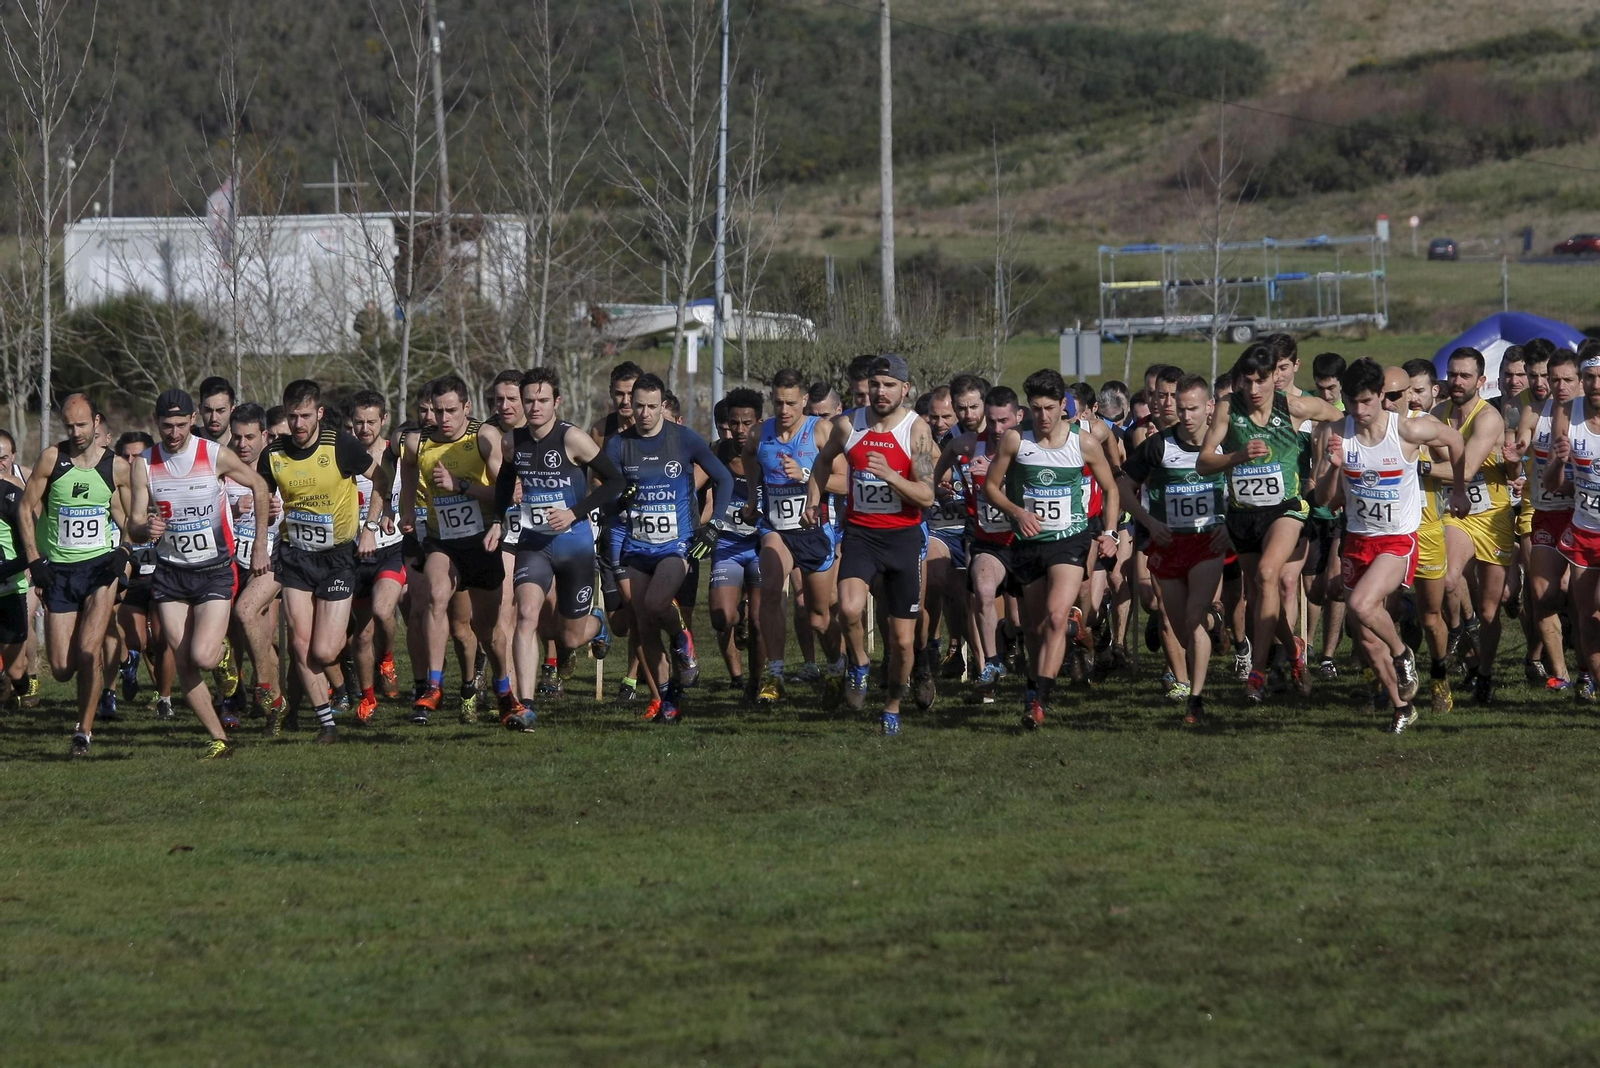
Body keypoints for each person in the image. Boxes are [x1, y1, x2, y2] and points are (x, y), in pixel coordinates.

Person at [1320, 358, 1466, 733]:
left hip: (1397, 539)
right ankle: (1402, 707)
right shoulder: (1337, 431)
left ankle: (1403, 654)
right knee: (1366, 637)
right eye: (1352, 402)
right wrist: (1334, 465)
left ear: (1382, 396)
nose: (1359, 410)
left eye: (1367, 401)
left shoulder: (1405, 430)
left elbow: (1455, 439)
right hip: (1357, 540)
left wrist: (1461, 489)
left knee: (1360, 603)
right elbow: (1326, 500)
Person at [132, 389, 273, 758]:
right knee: (183, 661)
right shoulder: (144, 463)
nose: (174, 433)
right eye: (167, 426)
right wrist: (145, 528)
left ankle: (224, 660)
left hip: (213, 571)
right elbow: (132, 522)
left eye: (180, 425)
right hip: (171, 574)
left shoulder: (213, 454)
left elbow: (259, 485)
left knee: (205, 657)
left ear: (192, 419)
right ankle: (218, 737)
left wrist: (260, 543)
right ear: (156, 422)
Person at [1197, 344, 1341, 702]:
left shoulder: (1291, 406)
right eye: (1249, 381)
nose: (1256, 389)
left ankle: (1257, 675)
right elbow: (1203, 463)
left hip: (1286, 510)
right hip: (1243, 515)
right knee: (1263, 591)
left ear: (1273, 378)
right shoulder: (1228, 409)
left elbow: (1336, 414)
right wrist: (1238, 456)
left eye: (1262, 381)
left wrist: (1330, 454)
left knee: (1266, 575)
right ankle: (1294, 654)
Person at [806, 354, 937, 735]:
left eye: (890, 385)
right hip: (861, 534)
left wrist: (891, 475)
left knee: (903, 641)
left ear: (905, 389)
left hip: (902, 538)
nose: (881, 392)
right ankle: (859, 663)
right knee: (847, 609)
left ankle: (893, 706)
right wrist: (813, 500)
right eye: (876, 384)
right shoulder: (848, 424)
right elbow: (822, 462)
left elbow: (926, 496)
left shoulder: (917, 430)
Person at [983, 369, 1119, 729]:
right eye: (1036, 408)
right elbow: (991, 487)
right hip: (1028, 544)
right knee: (1035, 627)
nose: (1043, 416)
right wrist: (1016, 512)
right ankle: (1035, 684)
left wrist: (1109, 532)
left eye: (1049, 408)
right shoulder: (1015, 440)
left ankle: (1039, 701)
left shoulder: (1084, 443)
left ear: (1064, 406)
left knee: (1058, 617)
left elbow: (1112, 487)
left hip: (1070, 540)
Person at [259, 380, 384, 743]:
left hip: (338, 557)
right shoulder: (274, 454)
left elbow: (382, 477)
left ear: (319, 414)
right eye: (291, 416)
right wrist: (262, 518)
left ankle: (344, 636)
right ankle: (327, 723)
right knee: (300, 644)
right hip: (295, 556)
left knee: (324, 649)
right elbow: (262, 494)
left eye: (304, 416)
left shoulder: (340, 444)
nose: (298, 424)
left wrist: (370, 527)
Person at [497, 367, 623, 727]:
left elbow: (615, 481)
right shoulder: (512, 442)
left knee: (567, 635)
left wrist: (574, 512)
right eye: (529, 401)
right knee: (526, 615)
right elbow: (507, 477)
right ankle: (525, 704)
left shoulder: (574, 439)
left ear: (557, 402)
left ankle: (595, 625)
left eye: (542, 400)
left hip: (574, 546)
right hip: (534, 543)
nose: (534, 407)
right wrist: (496, 519)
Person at [606, 372, 732, 722]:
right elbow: (607, 499)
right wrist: (620, 498)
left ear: (663, 406)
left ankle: (682, 639)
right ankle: (667, 699)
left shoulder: (684, 439)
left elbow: (723, 478)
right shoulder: (618, 445)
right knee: (644, 625)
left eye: (651, 406)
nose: (644, 413)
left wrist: (715, 526)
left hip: (675, 545)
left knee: (657, 603)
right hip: (635, 546)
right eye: (638, 406)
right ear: (630, 405)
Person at [19, 393, 135, 757]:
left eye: (82, 424)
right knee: (62, 667)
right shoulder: (53, 459)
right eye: (69, 425)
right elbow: (25, 509)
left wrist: (125, 552)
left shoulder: (115, 467)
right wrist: (36, 560)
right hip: (60, 572)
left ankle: (83, 731)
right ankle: (101, 669)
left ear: (97, 421)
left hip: (99, 569)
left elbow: (132, 518)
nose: (76, 432)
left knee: (88, 651)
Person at [401, 375, 520, 724]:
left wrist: (461, 485)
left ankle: (503, 689)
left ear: (467, 407)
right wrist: (407, 507)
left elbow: (509, 493)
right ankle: (434, 685)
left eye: (451, 410)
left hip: (482, 541)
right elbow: (406, 464)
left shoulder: (483, 437)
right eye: (437, 411)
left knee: (488, 633)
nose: (443, 419)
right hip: (443, 540)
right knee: (436, 594)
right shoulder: (418, 442)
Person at [1119, 374, 1229, 726]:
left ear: (1209, 407)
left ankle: (1195, 700)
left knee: (1193, 616)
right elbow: (1122, 487)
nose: (1186, 415)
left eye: (1194, 408)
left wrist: (1230, 526)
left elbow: (1247, 487)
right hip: (1168, 544)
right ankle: (1216, 621)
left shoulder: (1227, 443)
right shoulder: (1158, 446)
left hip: (1207, 542)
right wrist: (1150, 523)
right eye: (1181, 409)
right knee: (1183, 628)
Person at [749, 369, 845, 705]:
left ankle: (836, 666)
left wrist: (807, 476)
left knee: (818, 616)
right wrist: (751, 498)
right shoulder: (760, 433)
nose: (784, 410)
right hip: (776, 529)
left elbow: (846, 482)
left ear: (804, 400)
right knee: (771, 592)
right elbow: (750, 459)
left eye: (791, 402)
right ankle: (775, 675)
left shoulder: (820, 431)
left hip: (814, 531)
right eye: (778, 402)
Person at [1434, 346, 1519, 704]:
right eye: (1452, 374)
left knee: (1490, 609)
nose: (1456, 381)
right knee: (1448, 579)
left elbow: (1466, 471)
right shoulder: (1438, 413)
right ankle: (1463, 638)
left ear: (1481, 381)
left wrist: (1419, 467)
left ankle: (1484, 673)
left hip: (1493, 517)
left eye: (1465, 375)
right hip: (1458, 515)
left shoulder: (1489, 419)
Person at [935, 385, 1022, 703]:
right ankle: (987, 672)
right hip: (984, 535)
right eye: (961, 408)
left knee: (1019, 619)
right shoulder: (964, 443)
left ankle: (1016, 649)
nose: (967, 415)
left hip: (1024, 538)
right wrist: (933, 489)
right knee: (981, 595)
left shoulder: (1021, 440)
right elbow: (940, 464)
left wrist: (1000, 476)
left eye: (973, 407)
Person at [1515, 344, 1580, 693]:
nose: (1556, 386)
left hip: (1581, 515)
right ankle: (1560, 674)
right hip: (1545, 513)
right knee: (1542, 594)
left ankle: (1585, 666)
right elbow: (1519, 446)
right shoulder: (1532, 412)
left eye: (1564, 379)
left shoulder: (1588, 417)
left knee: (1576, 593)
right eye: (1550, 379)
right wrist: (1513, 458)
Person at [347, 391, 407, 723]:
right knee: (362, 633)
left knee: (385, 611)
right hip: (354, 554)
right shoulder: (344, 455)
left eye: (371, 421)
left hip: (390, 548)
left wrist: (394, 512)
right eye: (358, 421)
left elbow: (409, 488)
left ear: (383, 420)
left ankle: (387, 658)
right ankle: (368, 698)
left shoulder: (394, 454)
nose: (364, 428)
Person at [1545, 341, 1600, 698]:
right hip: (1584, 530)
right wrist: (1560, 461)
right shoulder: (1567, 413)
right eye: (1589, 377)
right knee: (1586, 617)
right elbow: (1554, 485)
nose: (1595, 384)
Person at [708, 387, 764, 697]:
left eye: (747, 423)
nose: (739, 430)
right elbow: (692, 486)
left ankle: (754, 684)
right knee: (722, 618)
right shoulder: (716, 453)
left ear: (759, 421)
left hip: (759, 546)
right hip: (727, 546)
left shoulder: (768, 452)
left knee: (758, 623)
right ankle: (737, 614)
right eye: (733, 423)